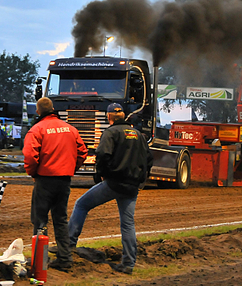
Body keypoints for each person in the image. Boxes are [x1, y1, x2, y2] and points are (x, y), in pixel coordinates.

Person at [68, 103, 153, 275]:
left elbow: (102, 155)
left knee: (81, 205)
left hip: (114, 183)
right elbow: (149, 159)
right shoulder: (138, 135)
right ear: (124, 116)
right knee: (128, 223)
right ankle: (128, 263)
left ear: (109, 117)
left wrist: (102, 174)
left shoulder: (110, 132)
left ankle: (68, 244)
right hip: (132, 186)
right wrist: (141, 179)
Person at [23, 97, 87, 272]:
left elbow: (30, 156)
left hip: (45, 179)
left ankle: (39, 261)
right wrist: (71, 167)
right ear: (53, 109)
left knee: (40, 220)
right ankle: (65, 258)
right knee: (60, 219)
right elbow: (82, 151)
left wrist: (33, 173)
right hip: (64, 179)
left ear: (38, 111)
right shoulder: (70, 129)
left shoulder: (36, 130)